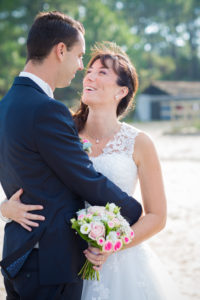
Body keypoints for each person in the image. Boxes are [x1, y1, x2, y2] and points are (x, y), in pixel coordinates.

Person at [2, 41, 182, 299]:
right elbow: (28, 177)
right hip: (63, 259)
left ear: (121, 91)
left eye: (102, 72)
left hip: (118, 262)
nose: (90, 76)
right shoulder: (61, 130)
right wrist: (5, 207)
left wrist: (112, 245)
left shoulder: (140, 142)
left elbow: (157, 217)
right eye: (89, 70)